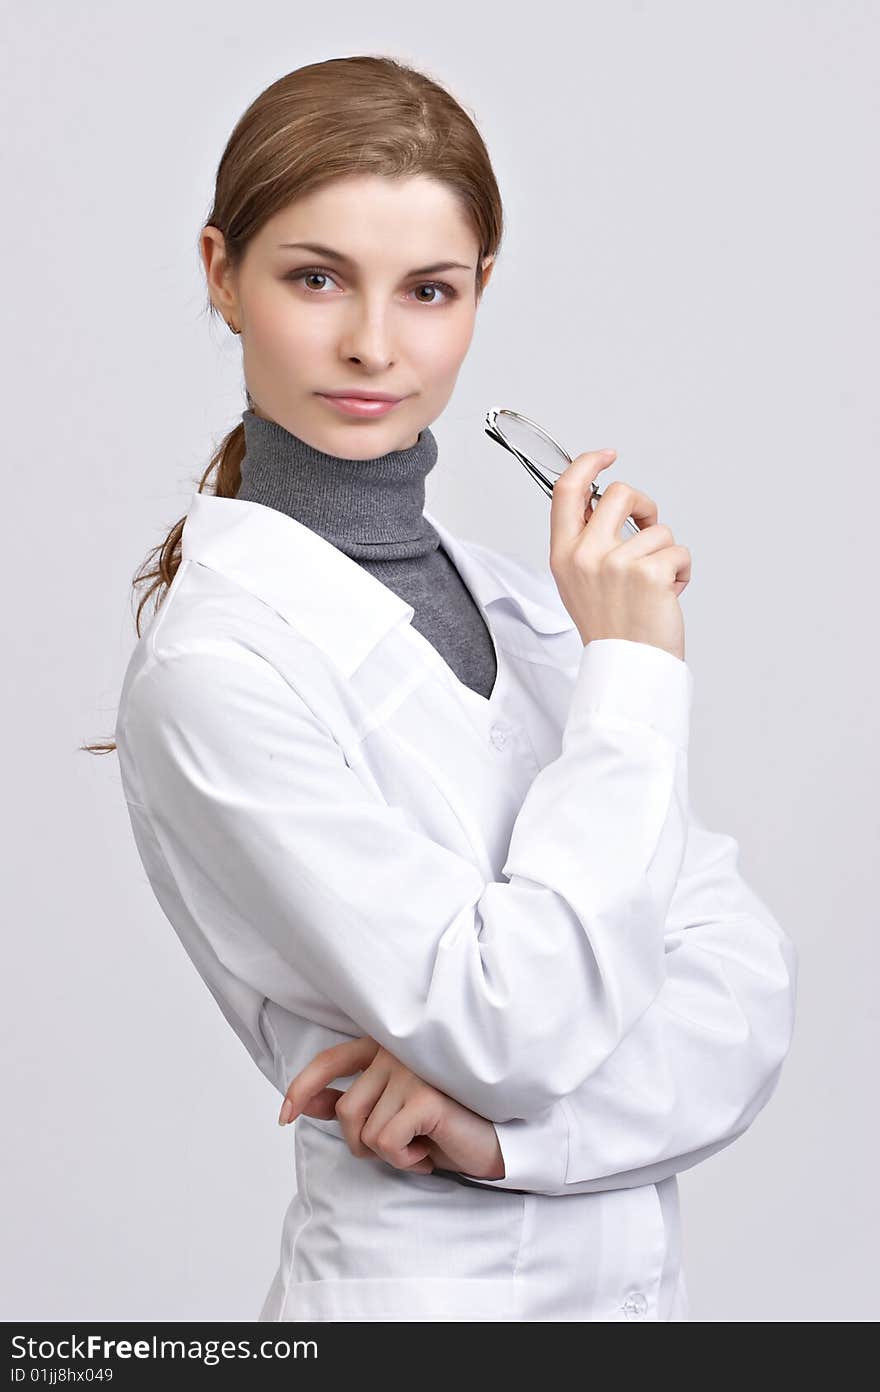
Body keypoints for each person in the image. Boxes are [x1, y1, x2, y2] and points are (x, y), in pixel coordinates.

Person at [83, 55, 798, 1322]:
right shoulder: (215, 673)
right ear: (218, 274)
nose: (373, 343)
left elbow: (742, 1002)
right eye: (316, 278)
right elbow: (512, 1025)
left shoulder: (529, 610)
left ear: (479, 297)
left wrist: (502, 1134)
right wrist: (634, 670)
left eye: (427, 290)